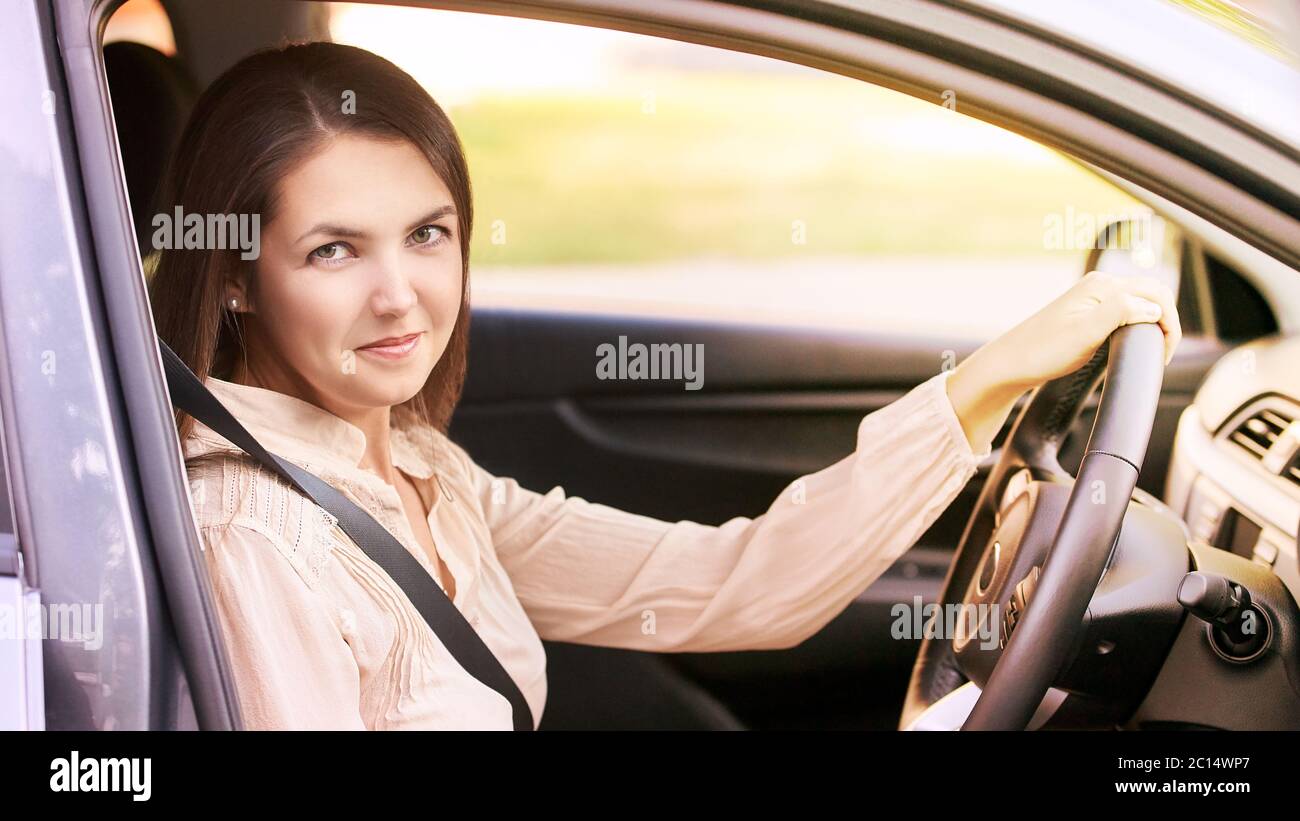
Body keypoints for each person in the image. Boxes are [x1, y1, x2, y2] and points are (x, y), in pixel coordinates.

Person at [147, 41, 1181, 730]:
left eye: (427, 234)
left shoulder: (418, 466)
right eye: (334, 251)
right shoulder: (256, 533)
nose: (400, 297)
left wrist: (990, 378)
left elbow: (738, 585)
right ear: (236, 275)